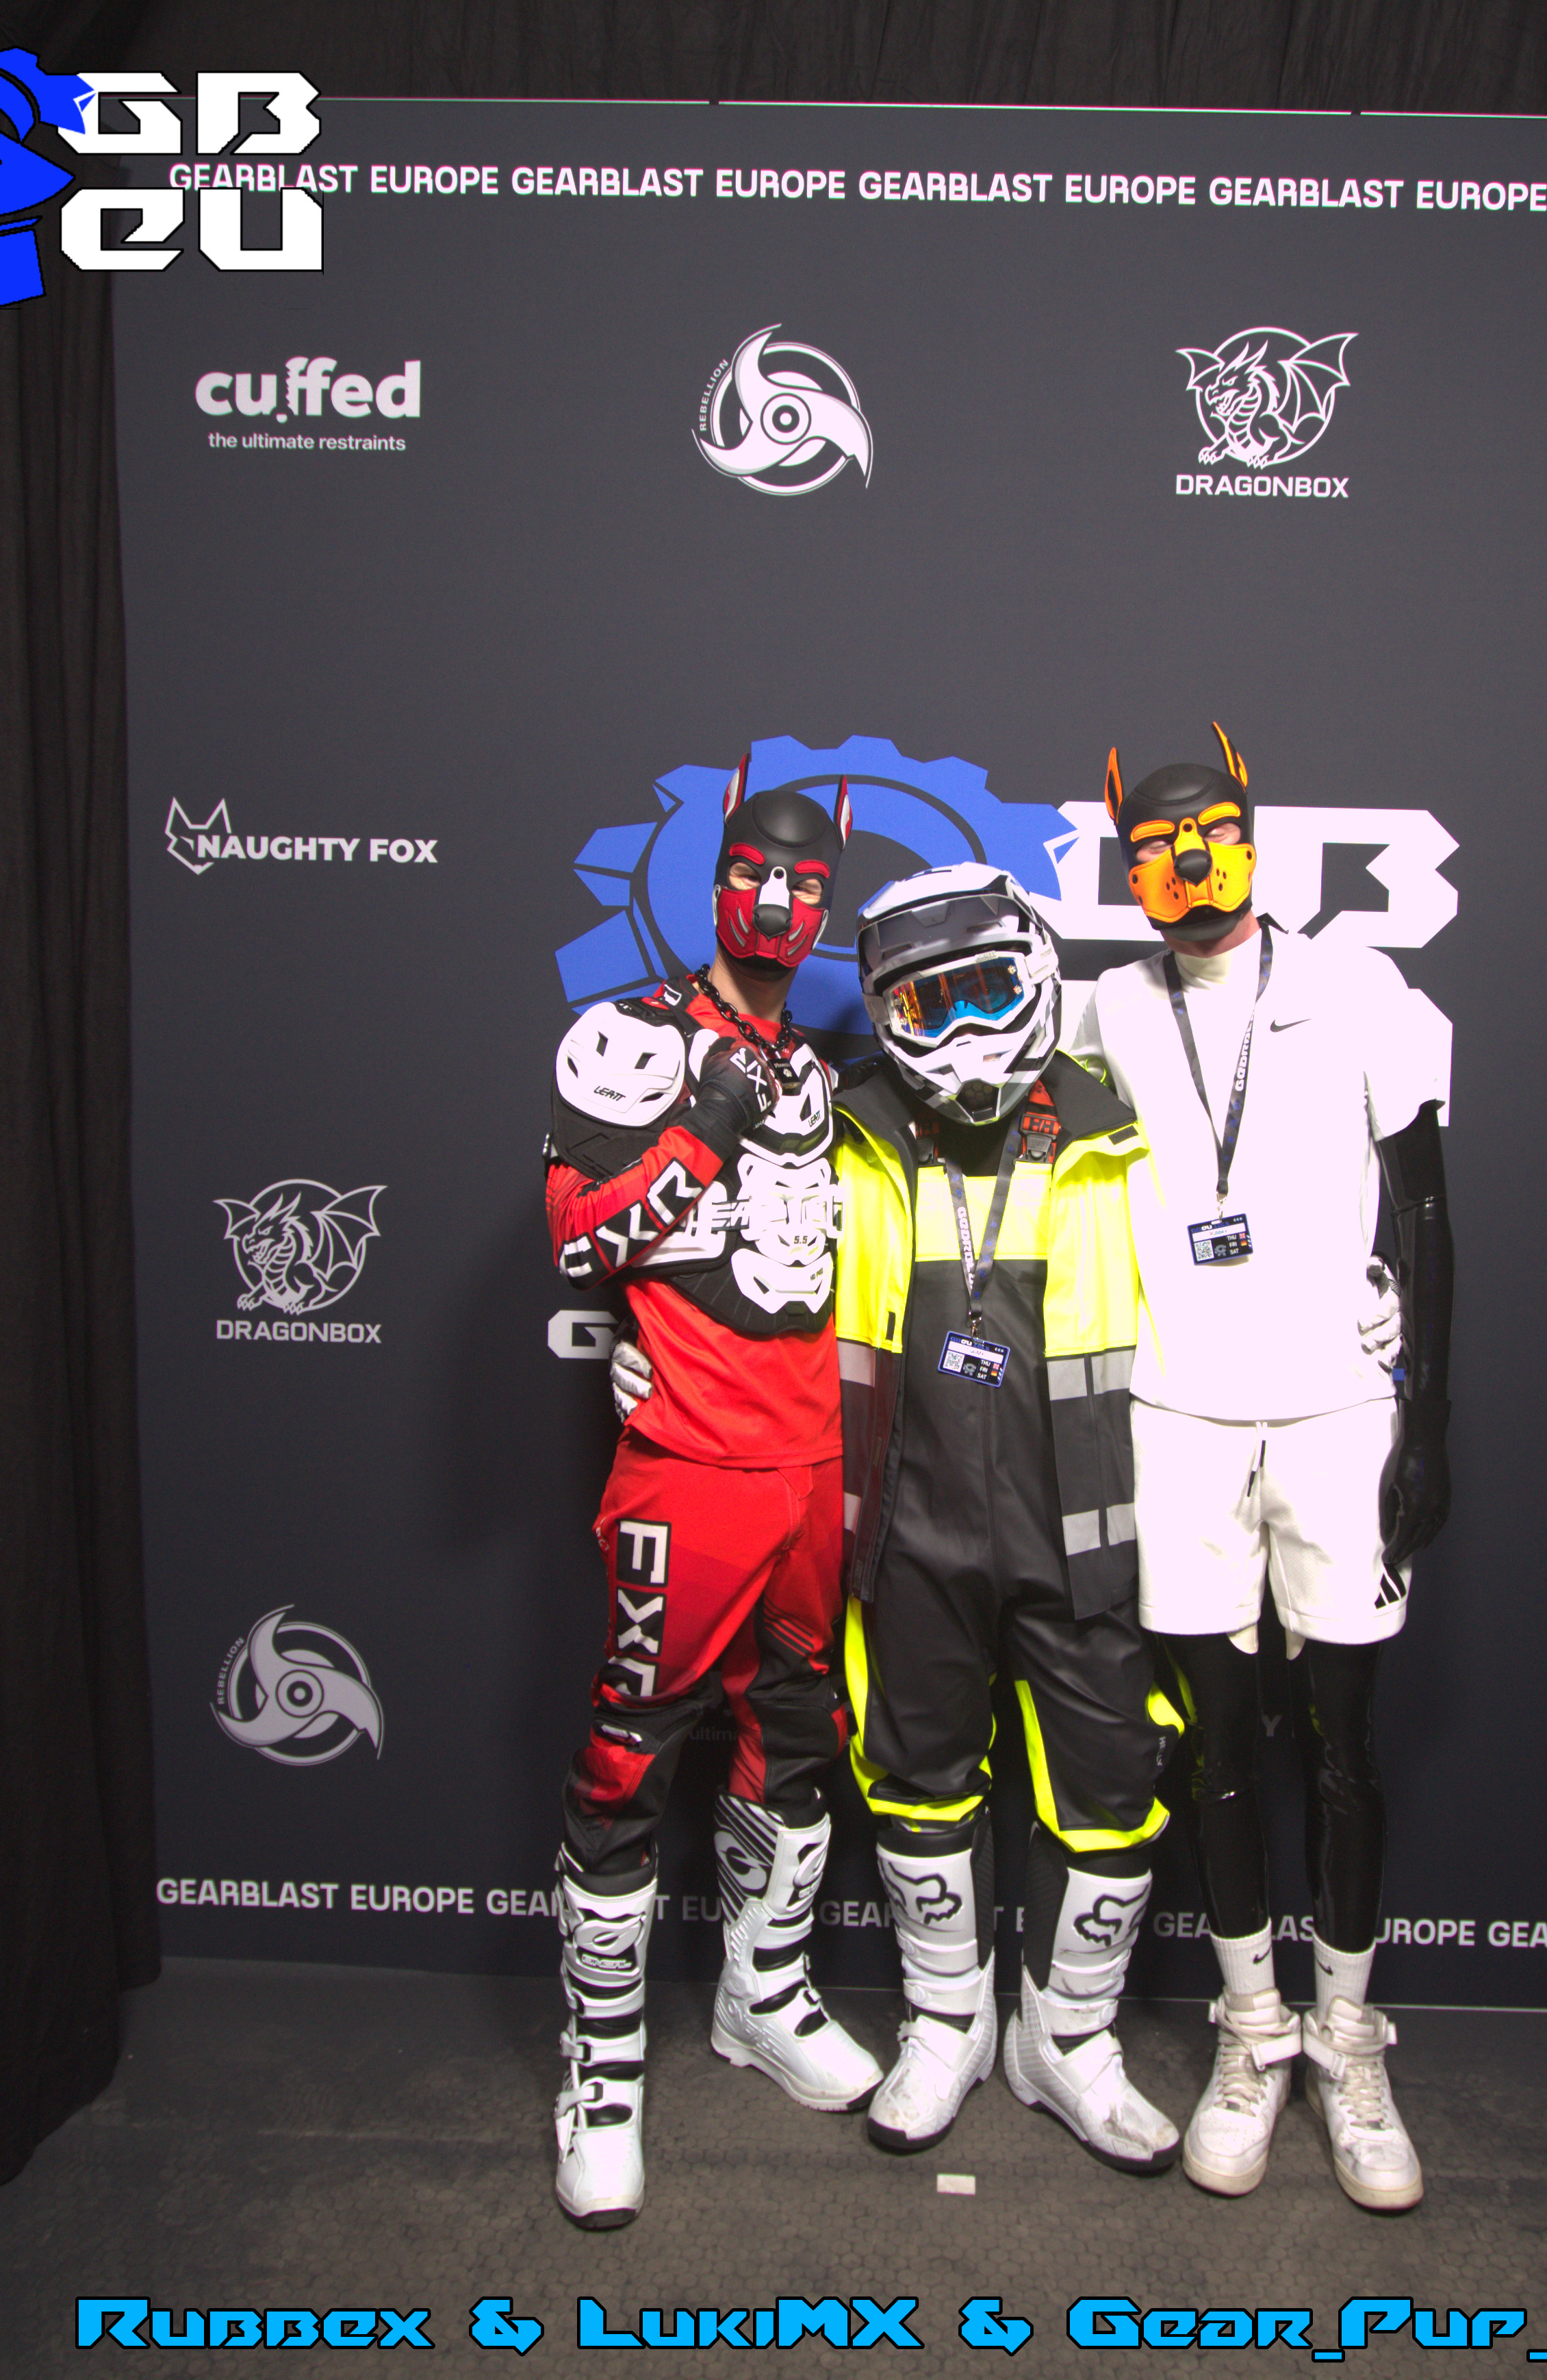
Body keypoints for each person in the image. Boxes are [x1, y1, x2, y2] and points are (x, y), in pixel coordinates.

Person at [1066, 724, 1453, 2212]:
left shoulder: (1358, 988)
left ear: (1255, 831)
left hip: (1339, 1414)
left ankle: (1349, 2037)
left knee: (1344, 1745)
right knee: (1217, 1750)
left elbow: (1428, 1211)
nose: (1186, 865)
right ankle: (1251, 2029)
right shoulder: (1108, 1005)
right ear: (1128, 869)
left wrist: (1429, 1416)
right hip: (1177, 1418)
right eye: (1152, 848)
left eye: (1210, 833)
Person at [539, 755, 880, 2227]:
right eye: (754, 872)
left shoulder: (824, 1066)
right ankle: (602, 2071)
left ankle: (764, 1993)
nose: (780, 901)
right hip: (685, 1467)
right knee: (630, 1757)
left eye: (808, 882)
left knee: (796, 1734)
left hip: (810, 1465)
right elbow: (576, 1242)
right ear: (714, 878)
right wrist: (704, 1127)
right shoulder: (633, 1037)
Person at [833, 863, 1182, 2171]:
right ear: (884, 1016)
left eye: (987, 989)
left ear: (1037, 972)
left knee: (1112, 1783)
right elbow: (742, 1262)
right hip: (909, 1514)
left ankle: (1070, 2040)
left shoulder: (1123, 1119)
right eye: (928, 1005)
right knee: (915, 1768)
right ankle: (947, 2023)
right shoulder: (843, 1124)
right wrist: (653, 1336)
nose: (964, 1026)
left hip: (1085, 1515)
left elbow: (1237, 1258)